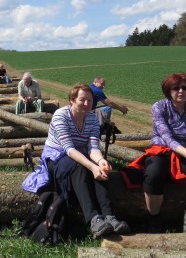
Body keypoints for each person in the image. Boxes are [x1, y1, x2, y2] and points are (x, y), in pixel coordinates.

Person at [21, 83, 130, 239]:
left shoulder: (92, 118)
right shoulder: (61, 115)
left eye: (90, 100)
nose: (86, 104)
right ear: (72, 100)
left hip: (79, 155)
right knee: (80, 168)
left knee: (101, 170)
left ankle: (109, 216)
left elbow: (93, 146)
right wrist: (92, 166)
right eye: (82, 100)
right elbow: (69, 149)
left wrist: (100, 162)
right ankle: (93, 219)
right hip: (56, 157)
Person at [131, 72, 186, 233]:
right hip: (161, 151)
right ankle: (154, 218)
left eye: (184, 88)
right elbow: (168, 139)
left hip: (184, 154)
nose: (180, 91)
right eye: (175, 88)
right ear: (168, 91)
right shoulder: (159, 107)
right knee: (153, 173)